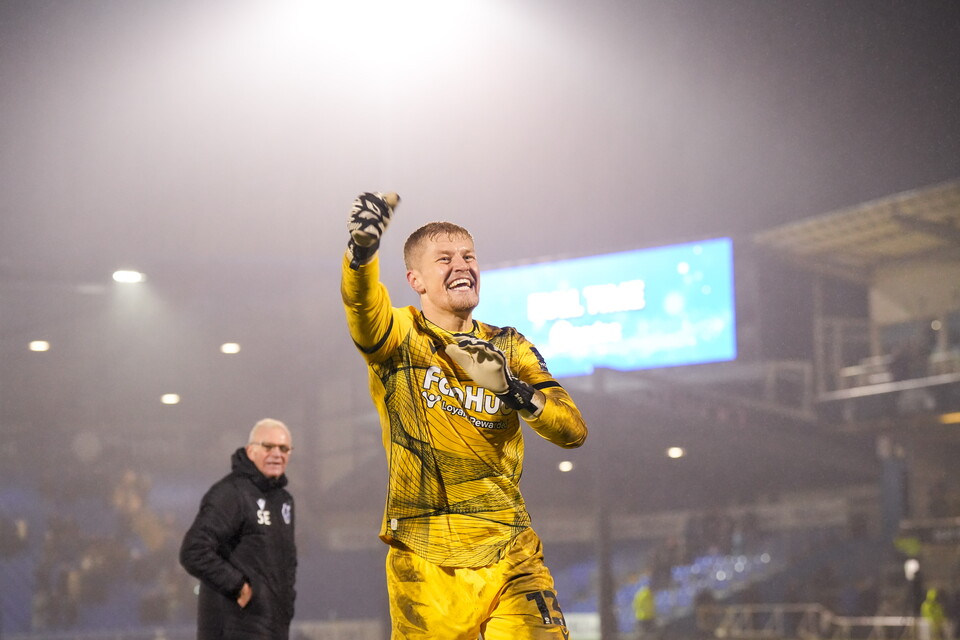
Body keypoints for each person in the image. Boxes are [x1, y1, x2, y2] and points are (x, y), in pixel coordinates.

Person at [340, 192, 588, 639]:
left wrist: (512, 390)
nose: (462, 265)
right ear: (415, 279)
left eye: (469, 256)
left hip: (511, 548)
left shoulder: (510, 346)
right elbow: (362, 306)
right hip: (428, 553)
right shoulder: (400, 336)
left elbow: (572, 431)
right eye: (444, 259)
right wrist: (361, 254)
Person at [179, 419, 297, 640]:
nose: (277, 454)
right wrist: (238, 587)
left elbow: (285, 565)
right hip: (233, 629)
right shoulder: (230, 493)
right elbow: (194, 550)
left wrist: (286, 605)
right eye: (268, 446)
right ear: (250, 451)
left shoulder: (284, 501)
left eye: (283, 448)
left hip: (272, 630)